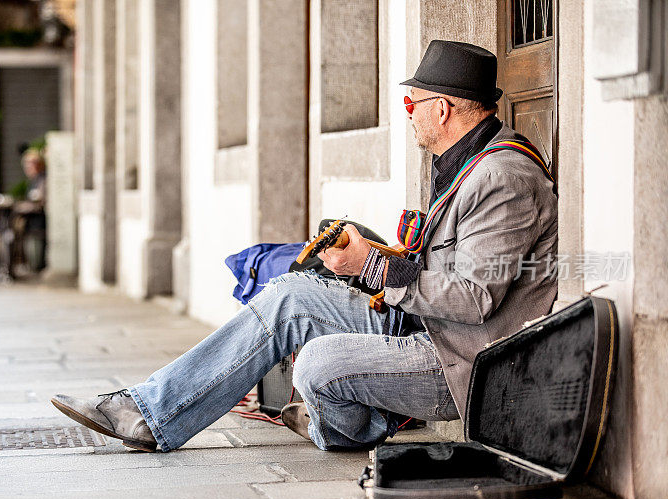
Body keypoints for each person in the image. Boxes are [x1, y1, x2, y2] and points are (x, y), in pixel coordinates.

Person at [51, 40, 558, 453]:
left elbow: (473, 299)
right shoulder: (463, 160)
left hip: (460, 361)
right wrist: (366, 258)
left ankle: (344, 423)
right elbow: (445, 267)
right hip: (425, 326)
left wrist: (375, 267)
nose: (407, 114)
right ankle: (149, 412)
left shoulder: (502, 178)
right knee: (289, 291)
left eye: (412, 103)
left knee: (318, 363)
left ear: (443, 108)